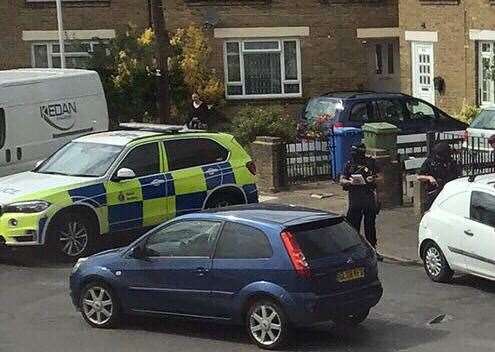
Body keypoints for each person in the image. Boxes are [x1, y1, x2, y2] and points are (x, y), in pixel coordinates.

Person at [340, 143, 382, 261]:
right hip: (355, 198)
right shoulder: (349, 165)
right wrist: (349, 182)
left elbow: (381, 177)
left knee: (370, 226)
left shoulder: (371, 162)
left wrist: (372, 178)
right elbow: (342, 180)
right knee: (353, 226)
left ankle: (373, 250)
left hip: (368, 196)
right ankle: (354, 252)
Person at [417, 142, 462, 210]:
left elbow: (458, 176)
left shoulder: (451, 162)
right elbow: (419, 176)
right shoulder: (430, 162)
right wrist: (429, 177)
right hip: (435, 190)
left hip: (450, 190)